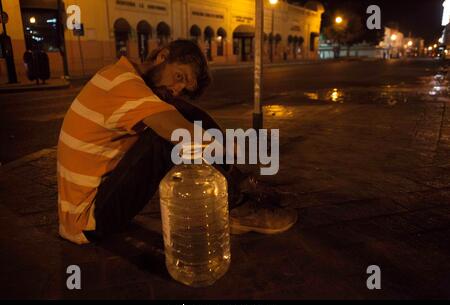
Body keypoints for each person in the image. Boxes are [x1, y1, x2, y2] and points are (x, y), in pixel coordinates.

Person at [57, 39, 297, 245]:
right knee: (171, 137)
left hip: (95, 205)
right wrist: (236, 148)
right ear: (163, 56)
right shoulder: (123, 84)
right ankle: (237, 205)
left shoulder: (119, 74)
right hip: (88, 221)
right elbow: (184, 134)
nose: (176, 88)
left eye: (183, 87)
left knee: (182, 114)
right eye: (179, 77)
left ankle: (243, 185)